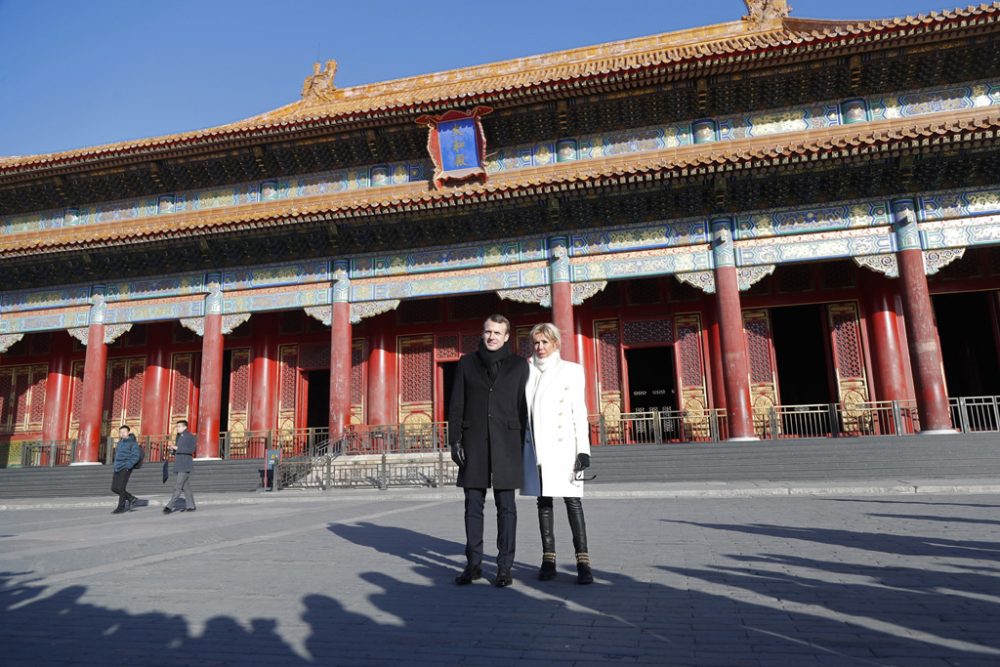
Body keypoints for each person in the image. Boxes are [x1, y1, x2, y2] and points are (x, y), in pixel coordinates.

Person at [448, 314, 529, 587]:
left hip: (507, 442)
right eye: (488, 332)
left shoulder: (520, 366)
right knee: (473, 505)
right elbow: (457, 404)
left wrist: (526, 446)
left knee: (507, 507)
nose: (492, 336)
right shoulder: (466, 363)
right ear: (482, 334)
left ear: (507, 336)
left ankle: (505, 566)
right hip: (474, 442)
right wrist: (454, 441)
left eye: (497, 332)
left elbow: (523, 408)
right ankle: (473, 565)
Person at [521, 322, 594, 584]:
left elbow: (578, 411)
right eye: (536, 343)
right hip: (537, 447)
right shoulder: (525, 371)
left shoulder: (572, 371)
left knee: (573, 501)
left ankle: (583, 561)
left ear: (555, 343)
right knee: (544, 503)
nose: (540, 347)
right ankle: (548, 559)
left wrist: (583, 449)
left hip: (564, 447)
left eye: (545, 342)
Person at [163, 420, 197, 514]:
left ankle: (169, 506)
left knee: (178, 486)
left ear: (185, 427)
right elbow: (178, 450)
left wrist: (176, 448)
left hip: (185, 465)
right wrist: (172, 450)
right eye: (177, 426)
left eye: (179, 426)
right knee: (186, 487)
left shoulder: (190, 437)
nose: (177, 428)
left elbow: (191, 450)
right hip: (179, 464)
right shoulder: (179, 437)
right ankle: (191, 506)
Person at [110, 425, 141, 514]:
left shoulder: (133, 443)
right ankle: (131, 498)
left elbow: (136, 456)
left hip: (125, 467)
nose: (122, 433)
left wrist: (128, 466)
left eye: (124, 432)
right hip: (117, 467)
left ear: (128, 432)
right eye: (121, 432)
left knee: (121, 488)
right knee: (114, 488)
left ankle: (121, 507)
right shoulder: (120, 443)